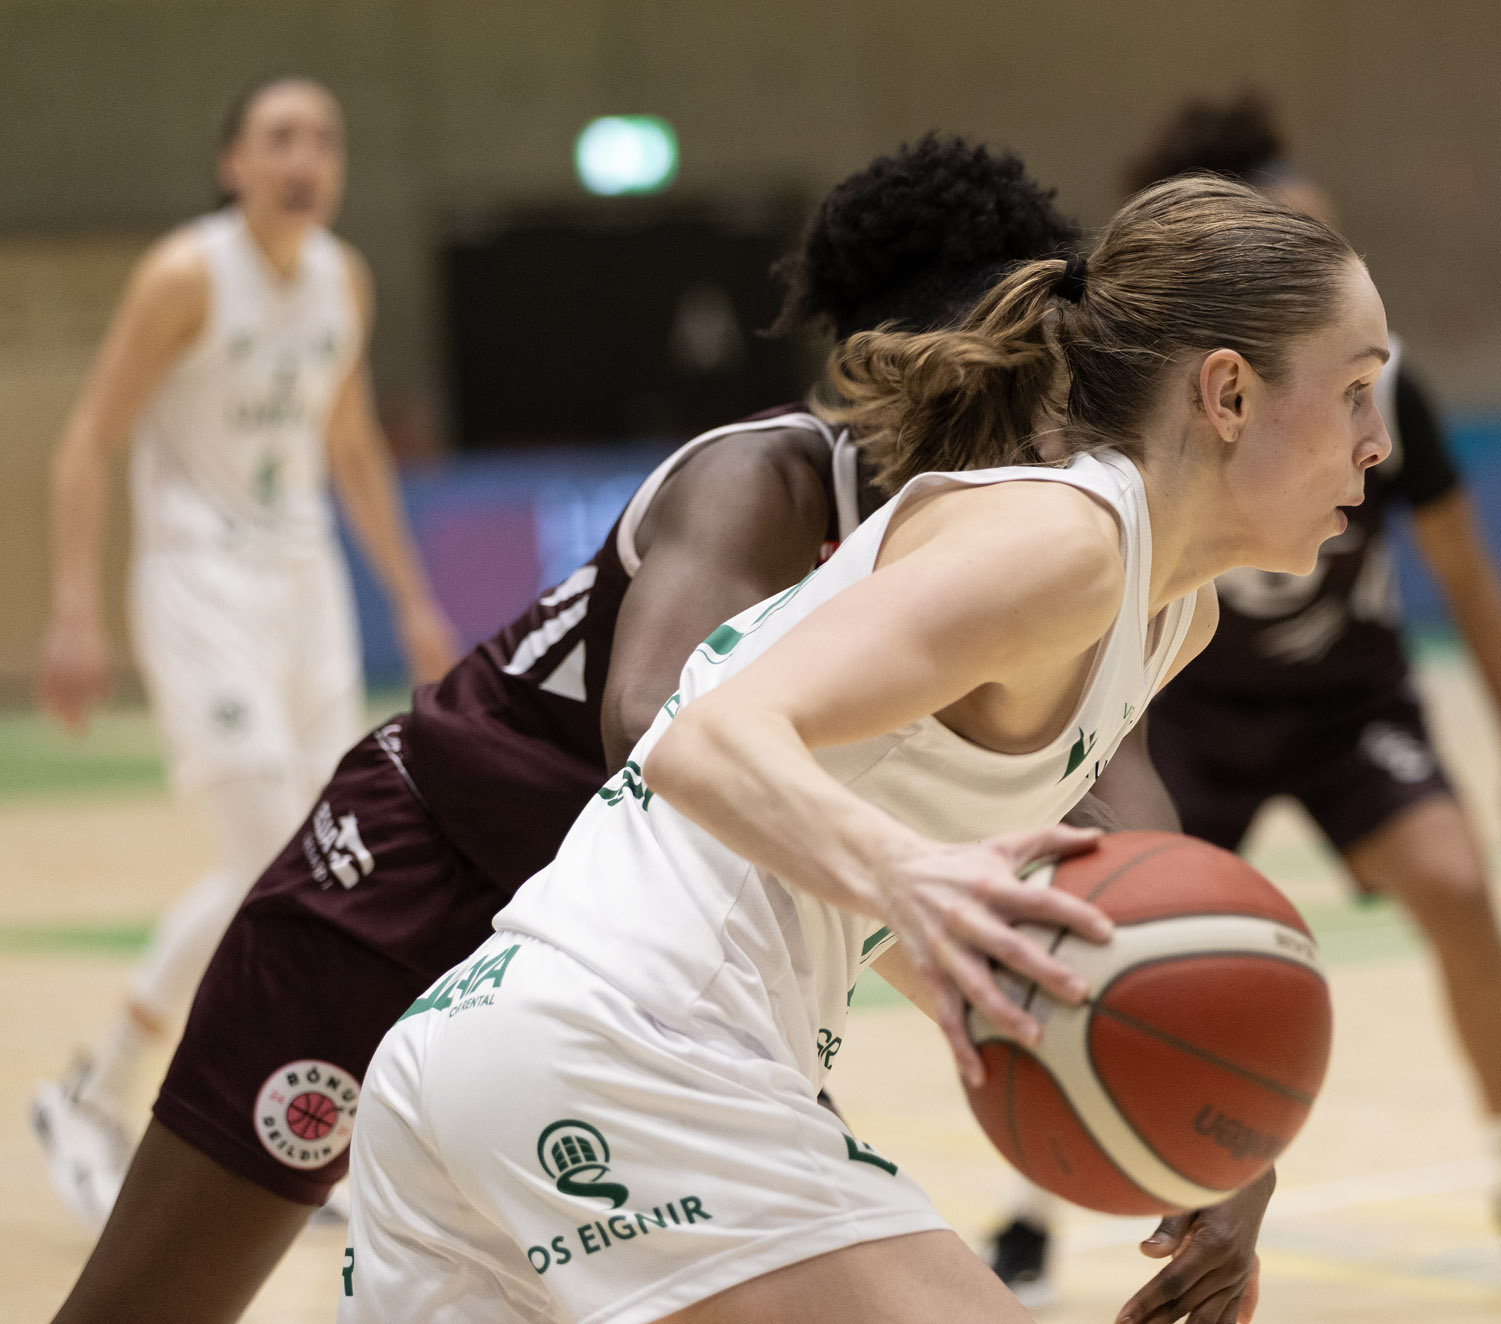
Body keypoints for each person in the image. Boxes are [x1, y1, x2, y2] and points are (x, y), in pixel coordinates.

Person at [50, 136, 1255, 1324]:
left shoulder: (1052, 545)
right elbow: (664, 728)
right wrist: (928, 914)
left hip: (628, 983)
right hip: (422, 873)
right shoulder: (765, 477)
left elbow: (1125, 838)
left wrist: (1221, 1127)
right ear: (881, 365)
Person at [337, 174, 1387, 1324]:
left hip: (506, 1053)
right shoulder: (1061, 543)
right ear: (1227, 392)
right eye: (1351, 390)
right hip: (629, 1048)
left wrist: (1206, 1129)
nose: (1375, 441)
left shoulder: (1170, 613)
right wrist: (907, 876)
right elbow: (702, 738)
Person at [999, 92, 1501, 1288]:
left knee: (1457, 889)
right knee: (1101, 940)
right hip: (1188, 713)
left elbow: (1468, 574)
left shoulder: (1383, 397)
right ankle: (1029, 1211)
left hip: (1347, 708)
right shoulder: (1150, 423)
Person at [31, 76, 457, 1229]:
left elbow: (350, 445)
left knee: (327, 861)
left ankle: (261, 1128)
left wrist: (412, 598)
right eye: (279, 138)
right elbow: (87, 439)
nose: (304, 157)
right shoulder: (185, 276)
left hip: (303, 586)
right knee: (275, 861)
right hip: (198, 584)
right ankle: (103, 1088)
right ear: (233, 164)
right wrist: (72, 610)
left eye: (323, 138)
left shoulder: (342, 279)